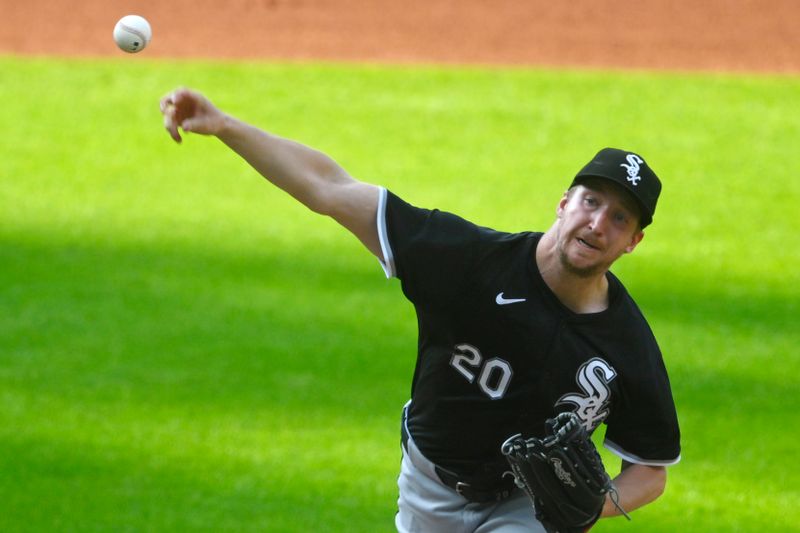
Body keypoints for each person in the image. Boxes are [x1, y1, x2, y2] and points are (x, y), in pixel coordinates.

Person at [160, 87, 681, 533]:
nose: (596, 224)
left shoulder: (625, 347)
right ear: (564, 201)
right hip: (429, 484)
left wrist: (593, 507)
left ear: (632, 242)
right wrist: (224, 125)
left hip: (528, 507)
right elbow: (329, 187)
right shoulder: (465, 260)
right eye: (591, 202)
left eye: (618, 218)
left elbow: (650, 470)